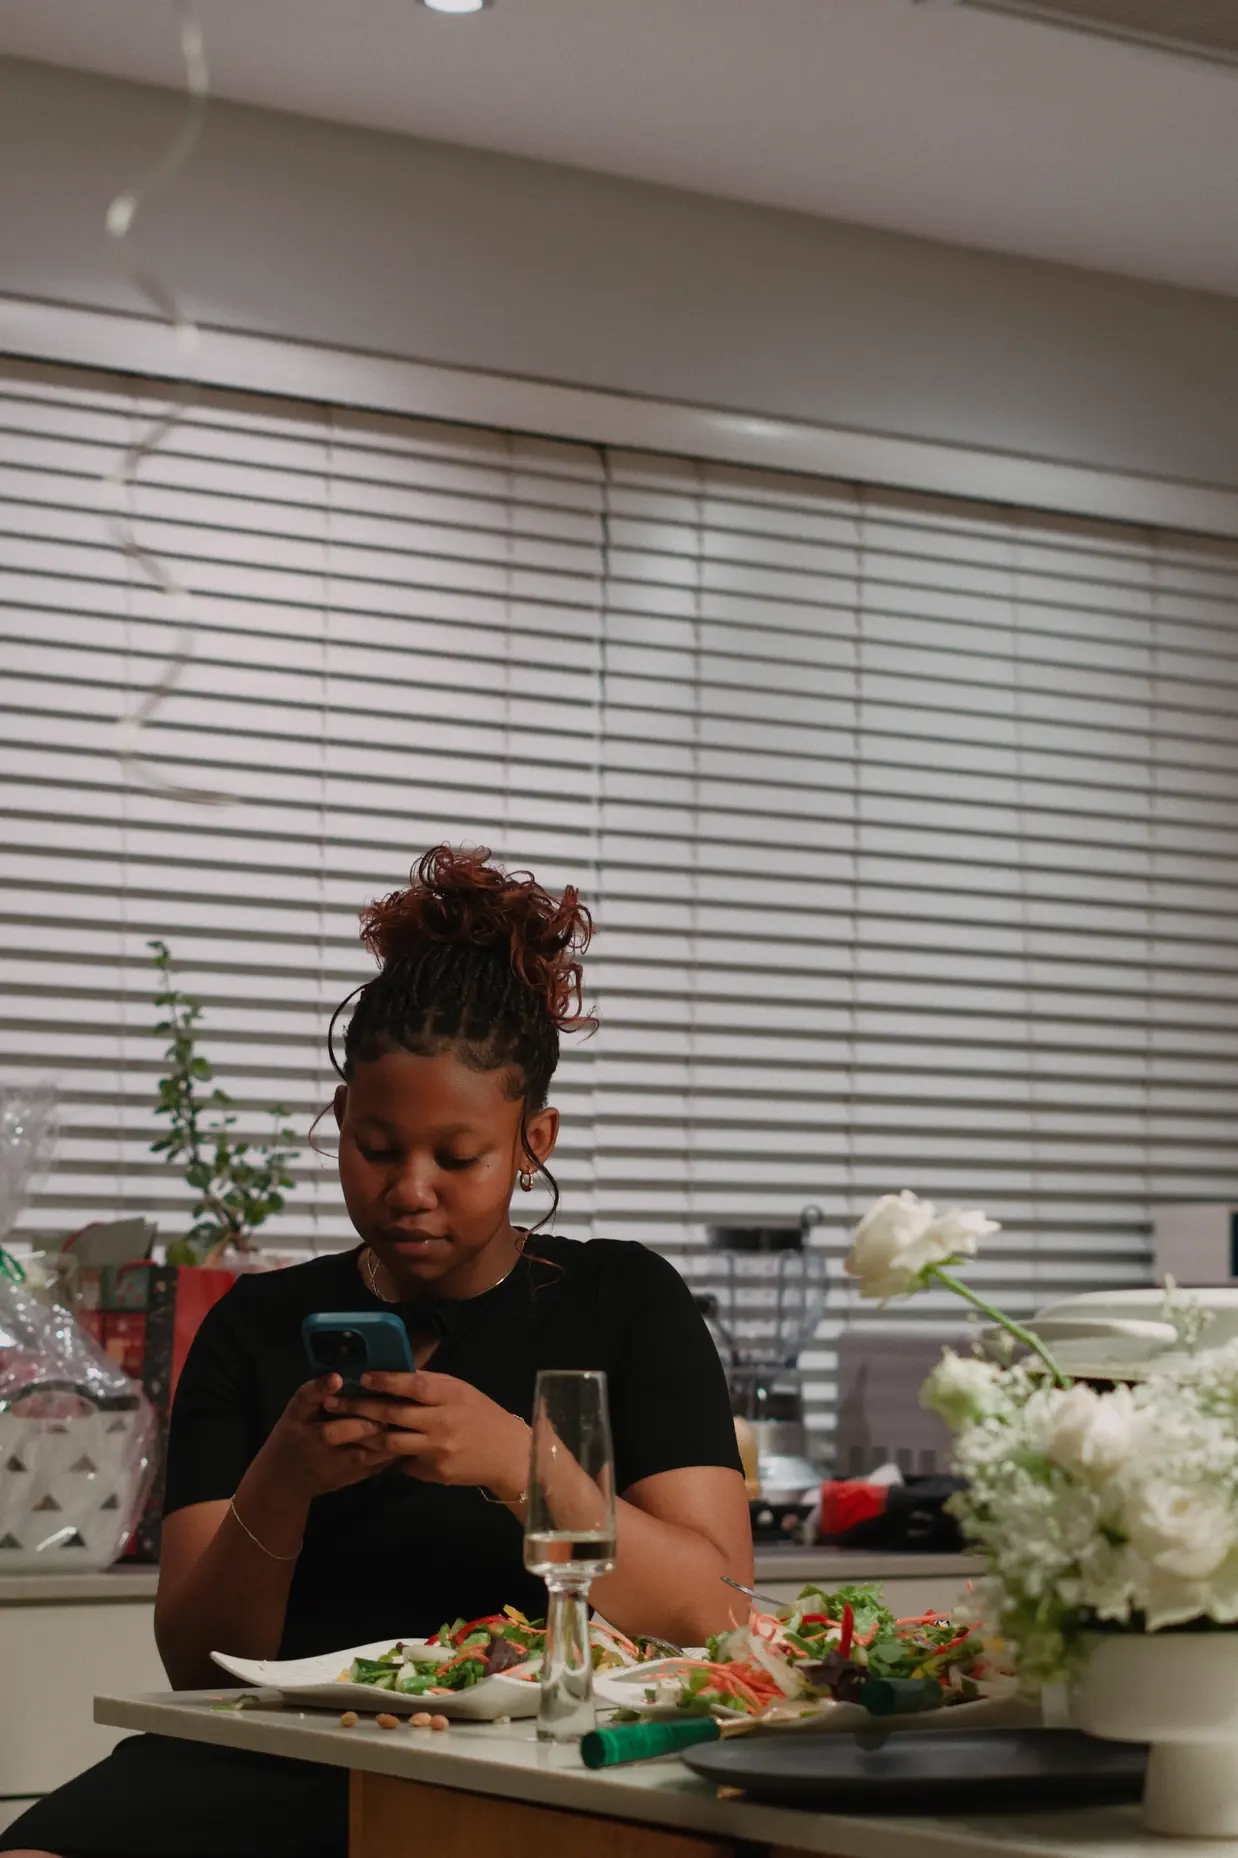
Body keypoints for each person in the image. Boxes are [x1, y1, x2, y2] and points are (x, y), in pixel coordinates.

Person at [4, 844, 752, 1858]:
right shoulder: (257, 1325)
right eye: (375, 1146)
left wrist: (514, 1463)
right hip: (288, 1757)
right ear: (341, 1120)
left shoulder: (625, 1300)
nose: (408, 1188)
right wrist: (281, 1480)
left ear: (535, 1140)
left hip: (564, 1760)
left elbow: (716, 1616)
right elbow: (199, 1667)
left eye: (457, 1156)